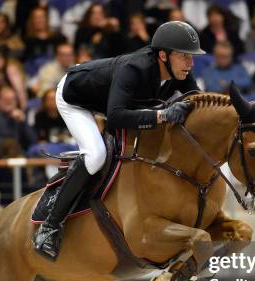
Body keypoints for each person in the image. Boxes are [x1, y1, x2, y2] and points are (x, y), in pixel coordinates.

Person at [32, 21, 204, 260]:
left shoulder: (179, 70)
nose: (191, 63)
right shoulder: (134, 68)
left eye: (191, 57)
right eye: (185, 56)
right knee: (96, 155)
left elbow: (196, 99)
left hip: (112, 98)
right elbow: (114, 118)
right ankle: (49, 227)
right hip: (76, 98)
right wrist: (163, 115)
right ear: (163, 55)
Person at [0, 86, 36, 158]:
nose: (9, 102)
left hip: (20, 158)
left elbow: (33, 141)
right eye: (5, 99)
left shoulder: (19, 118)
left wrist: (23, 122)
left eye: (12, 99)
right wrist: (11, 145)